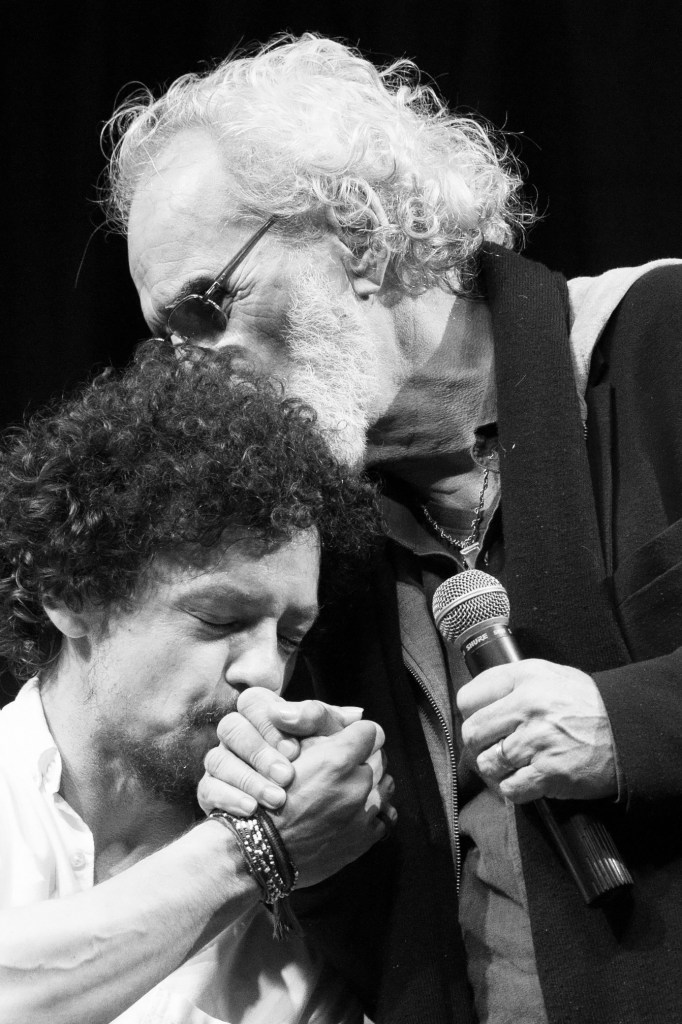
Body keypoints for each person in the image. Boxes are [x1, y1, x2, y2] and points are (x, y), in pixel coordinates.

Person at [106, 33, 682, 1024]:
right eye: (171, 342)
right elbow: (394, 946)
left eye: (210, 305)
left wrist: (628, 726)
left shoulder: (657, 340)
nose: (199, 373)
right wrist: (313, 829)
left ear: (359, 240)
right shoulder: (316, 558)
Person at [0, 339, 396, 1024]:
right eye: (219, 619)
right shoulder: (286, 842)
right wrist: (256, 852)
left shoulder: (319, 876)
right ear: (71, 595)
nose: (265, 672)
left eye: (290, 636)